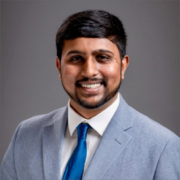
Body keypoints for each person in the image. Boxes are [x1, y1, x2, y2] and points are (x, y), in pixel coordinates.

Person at [0, 10, 179, 180]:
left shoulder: (162, 147)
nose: (89, 71)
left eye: (102, 57)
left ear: (123, 66)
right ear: (59, 67)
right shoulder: (25, 135)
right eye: (76, 58)